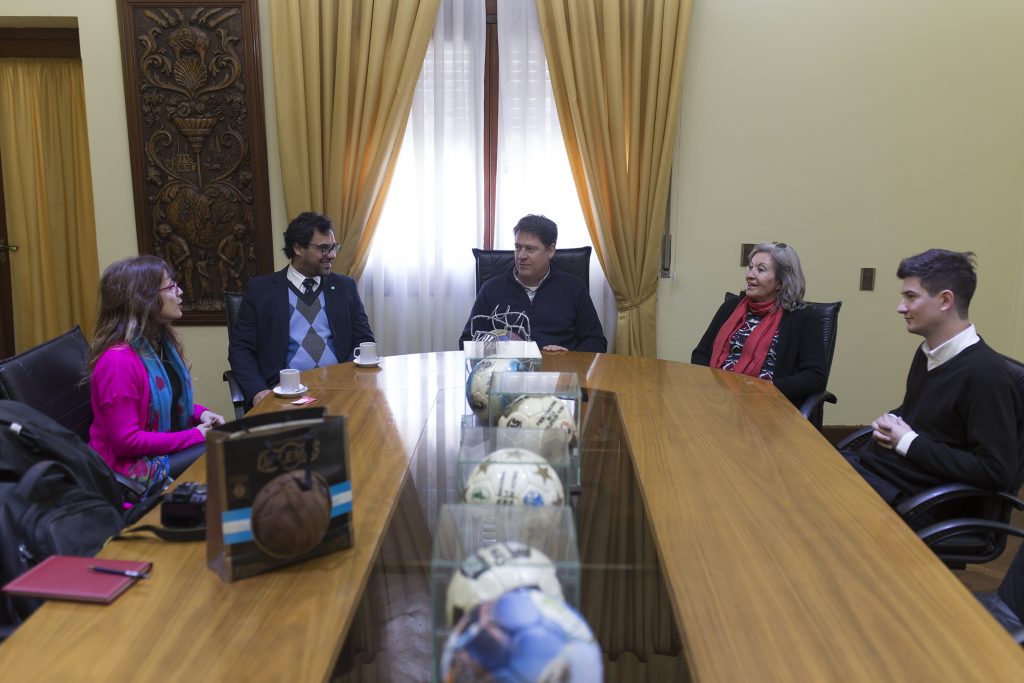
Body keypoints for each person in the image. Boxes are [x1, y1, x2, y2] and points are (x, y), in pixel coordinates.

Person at [842, 249, 1023, 505]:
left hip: (925, 502)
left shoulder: (987, 376)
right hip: (887, 474)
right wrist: (893, 419)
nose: (900, 307)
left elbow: (995, 472)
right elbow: (930, 416)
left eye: (910, 297)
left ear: (945, 301)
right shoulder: (928, 352)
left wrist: (907, 441)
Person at [88, 255, 225, 492]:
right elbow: (126, 442)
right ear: (145, 299)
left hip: (155, 456)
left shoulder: (158, 343)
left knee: (225, 444)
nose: (180, 292)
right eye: (171, 286)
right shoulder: (118, 361)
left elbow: (162, 404)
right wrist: (195, 435)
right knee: (221, 449)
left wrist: (201, 414)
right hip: (126, 473)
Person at [229, 211, 374, 406]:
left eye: (333, 247)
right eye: (323, 248)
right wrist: (257, 391)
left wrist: (345, 378)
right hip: (284, 395)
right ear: (298, 248)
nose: (331, 255)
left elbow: (364, 340)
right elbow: (241, 349)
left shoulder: (345, 287)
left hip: (340, 392)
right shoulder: (260, 290)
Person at [691, 242, 826, 407]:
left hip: (767, 405)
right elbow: (701, 353)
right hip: (716, 398)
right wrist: (708, 386)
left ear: (781, 282)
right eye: (750, 267)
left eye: (760, 270)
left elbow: (815, 377)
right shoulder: (730, 307)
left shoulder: (803, 317)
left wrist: (766, 388)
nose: (750, 275)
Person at [458, 214, 607, 352]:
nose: (521, 256)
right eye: (518, 247)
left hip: (560, 373)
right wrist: (497, 352)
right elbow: (467, 341)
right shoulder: (491, 289)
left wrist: (570, 356)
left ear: (550, 250)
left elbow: (596, 342)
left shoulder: (574, 288)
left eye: (530, 249)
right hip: (507, 375)